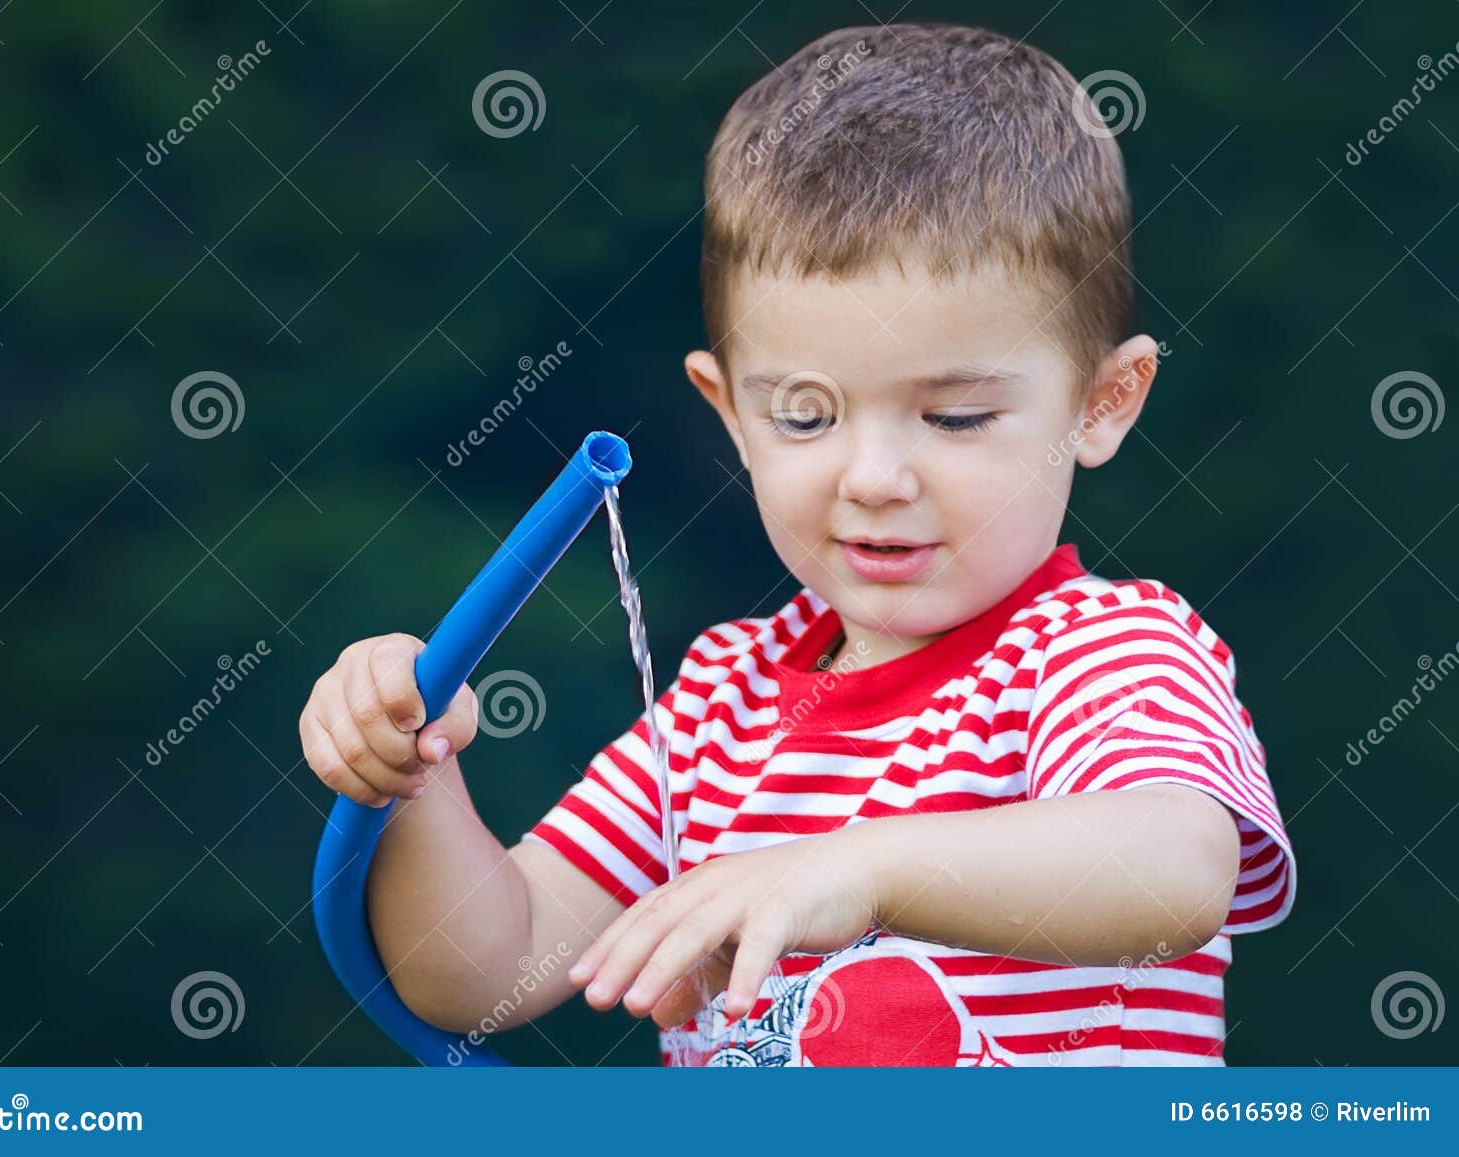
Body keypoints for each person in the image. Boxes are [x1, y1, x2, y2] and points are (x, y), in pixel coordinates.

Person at [298, 21, 1295, 1066]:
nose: (871, 477)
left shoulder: (1103, 650)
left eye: (954, 418)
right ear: (728, 413)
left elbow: (1173, 870)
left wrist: (860, 869)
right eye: (806, 417)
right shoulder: (719, 702)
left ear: (1101, 401)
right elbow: (483, 973)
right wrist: (411, 768)